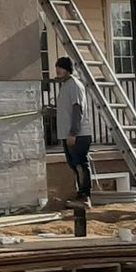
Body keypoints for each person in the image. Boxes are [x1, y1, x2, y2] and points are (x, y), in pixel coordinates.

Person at [54, 57, 93, 203]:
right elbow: (66, 110)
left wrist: (73, 133)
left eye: (61, 67)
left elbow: (77, 109)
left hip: (78, 134)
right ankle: (80, 194)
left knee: (80, 164)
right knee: (75, 165)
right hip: (68, 134)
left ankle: (85, 195)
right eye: (57, 67)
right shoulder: (65, 85)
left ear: (68, 69)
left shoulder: (74, 85)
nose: (58, 70)